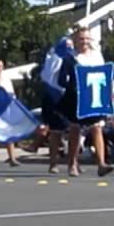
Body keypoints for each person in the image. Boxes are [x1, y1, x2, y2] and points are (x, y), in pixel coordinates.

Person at [56, 27, 114, 177]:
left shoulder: (97, 57)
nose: (84, 41)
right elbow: (61, 80)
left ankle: (101, 163)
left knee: (97, 128)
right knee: (76, 130)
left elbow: (104, 77)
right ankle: (72, 164)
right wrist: (73, 87)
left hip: (94, 97)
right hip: (76, 99)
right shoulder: (70, 58)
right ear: (75, 40)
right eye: (81, 38)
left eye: (87, 38)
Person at [38, 36, 74, 174]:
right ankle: (53, 163)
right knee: (56, 131)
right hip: (55, 98)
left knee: (74, 131)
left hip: (69, 97)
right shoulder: (54, 59)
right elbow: (52, 78)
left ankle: (73, 162)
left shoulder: (71, 57)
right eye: (68, 46)